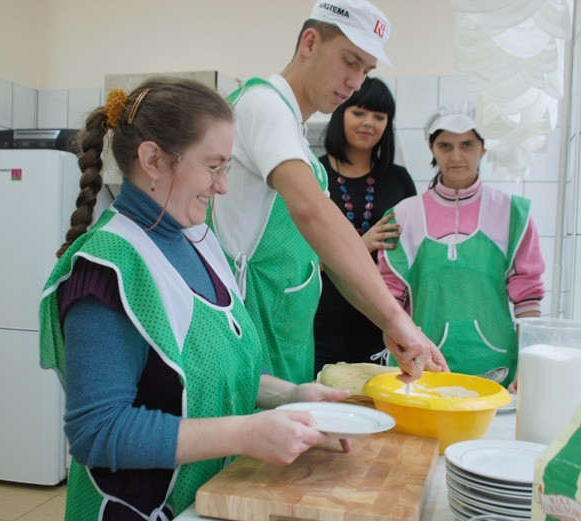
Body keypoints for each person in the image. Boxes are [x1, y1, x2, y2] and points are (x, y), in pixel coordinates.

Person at [38, 77, 355, 520]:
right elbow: (99, 431)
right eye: (214, 166)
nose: (223, 186)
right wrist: (245, 434)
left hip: (201, 501)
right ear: (153, 159)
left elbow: (211, 370)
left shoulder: (200, 241)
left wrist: (292, 395)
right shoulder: (106, 267)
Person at [211, 0, 448, 385]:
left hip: (284, 330)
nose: (356, 82)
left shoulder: (294, 133)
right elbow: (312, 212)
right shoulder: (264, 105)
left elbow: (332, 260)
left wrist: (385, 323)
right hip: (252, 325)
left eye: (366, 70)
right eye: (349, 61)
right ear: (310, 42)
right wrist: (396, 317)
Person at [378, 101, 545, 388]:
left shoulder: (512, 214)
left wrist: (529, 365)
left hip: (497, 368)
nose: (456, 156)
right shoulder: (404, 215)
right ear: (432, 148)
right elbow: (387, 300)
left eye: (467, 144)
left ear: (483, 149)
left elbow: (528, 300)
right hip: (422, 366)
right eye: (445, 146)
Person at [314, 77, 417, 373]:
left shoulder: (399, 180)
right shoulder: (313, 174)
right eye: (358, 112)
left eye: (379, 116)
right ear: (340, 114)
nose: (368, 123)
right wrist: (362, 245)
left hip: (380, 326)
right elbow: (297, 261)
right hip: (318, 324)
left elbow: (412, 255)